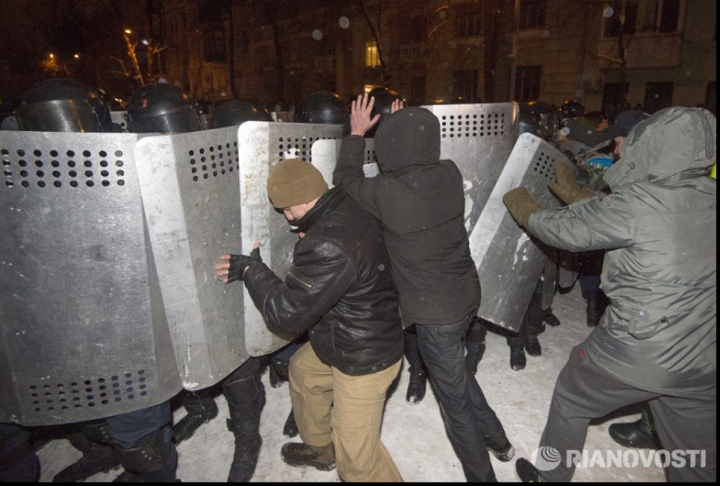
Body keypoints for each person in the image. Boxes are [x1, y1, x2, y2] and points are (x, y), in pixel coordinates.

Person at [503, 107, 716, 482]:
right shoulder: (708, 195)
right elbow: (631, 221)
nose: (620, 151)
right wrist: (571, 191)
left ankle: (550, 476)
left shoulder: (639, 203)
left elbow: (566, 231)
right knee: (694, 462)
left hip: (640, 348)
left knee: (572, 395)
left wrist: (523, 206)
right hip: (704, 359)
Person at [333, 94, 514, 482]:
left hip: (436, 315)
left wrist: (358, 133)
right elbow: (413, 158)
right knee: (456, 375)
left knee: (454, 406)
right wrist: (404, 128)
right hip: (465, 295)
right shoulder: (448, 173)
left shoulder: (387, 193)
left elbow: (346, 180)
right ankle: (499, 439)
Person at [214, 158, 405, 482]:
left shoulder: (327, 243)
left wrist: (250, 270)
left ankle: (343, 454)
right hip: (351, 331)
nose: (286, 218)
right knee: (303, 371)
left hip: (365, 358)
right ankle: (321, 448)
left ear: (296, 204)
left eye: (285, 210)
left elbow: (286, 314)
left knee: (357, 463)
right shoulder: (344, 203)